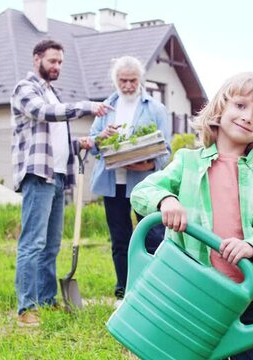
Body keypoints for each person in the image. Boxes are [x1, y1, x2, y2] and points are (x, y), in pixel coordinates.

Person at [130, 72, 253, 359]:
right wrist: (166, 200)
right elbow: (143, 191)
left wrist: (252, 245)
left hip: (247, 294)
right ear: (221, 109)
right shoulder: (187, 162)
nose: (247, 117)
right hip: (195, 289)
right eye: (240, 106)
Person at [11, 39, 111, 325]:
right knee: (33, 242)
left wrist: (92, 140)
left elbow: (59, 140)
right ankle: (26, 308)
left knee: (51, 244)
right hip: (38, 174)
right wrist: (86, 106)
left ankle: (45, 299)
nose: (57, 66)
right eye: (52, 61)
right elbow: (42, 114)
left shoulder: (53, 94)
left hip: (56, 176)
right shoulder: (26, 89)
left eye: (60, 62)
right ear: (37, 59)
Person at [80, 56, 170, 306]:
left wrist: (148, 164)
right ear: (115, 81)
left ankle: (154, 288)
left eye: (133, 80)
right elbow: (93, 144)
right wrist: (100, 137)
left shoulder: (155, 108)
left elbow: (166, 150)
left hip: (145, 185)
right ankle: (124, 289)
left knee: (153, 236)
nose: (128, 85)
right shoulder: (106, 108)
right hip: (112, 184)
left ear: (141, 80)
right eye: (123, 80)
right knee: (120, 238)